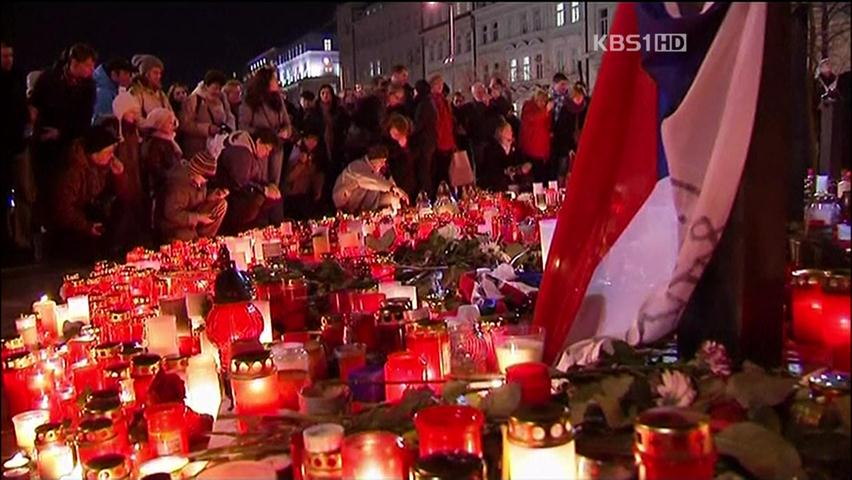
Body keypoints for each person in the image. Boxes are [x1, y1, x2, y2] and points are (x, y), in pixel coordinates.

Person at [30, 43, 98, 233]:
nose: (92, 70)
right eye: (88, 65)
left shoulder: (88, 87)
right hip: (43, 144)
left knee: (64, 191)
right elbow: (35, 104)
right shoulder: (49, 79)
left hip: (68, 143)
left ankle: (64, 233)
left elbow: (84, 119)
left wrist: (62, 133)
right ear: (73, 62)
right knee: (43, 190)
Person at [49, 125, 126, 263]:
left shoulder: (103, 167)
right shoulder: (73, 171)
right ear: (95, 152)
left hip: (88, 215)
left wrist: (119, 176)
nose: (112, 156)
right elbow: (63, 209)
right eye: (108, 152)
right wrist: (86, 226)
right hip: (70, 225)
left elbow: (122, 195)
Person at [214, 129, 283, 234]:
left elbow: (253, 179)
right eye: (266, 149)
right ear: (259, 141)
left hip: (239, 194)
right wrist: (264, 190)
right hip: (233, 197)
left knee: (273, 200)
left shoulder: (248, 152)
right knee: (261, 202)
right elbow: (240, 182)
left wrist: (269, 186)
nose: (267, 154)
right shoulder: (242, 152)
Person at [156, 150, 227, 243]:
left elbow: (195, 198)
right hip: (173, 224)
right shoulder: (179, 185)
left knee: (221, 205)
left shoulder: (198, 180)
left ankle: (204, 241)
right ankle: (195, 243)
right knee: (187, 236)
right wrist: (198, 218)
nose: (205, 181)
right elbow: (171, 214)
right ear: (196, 171)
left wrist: (210, 197)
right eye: (205, 177)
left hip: (192, 215)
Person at [1, 40, 31, 258]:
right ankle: (6, 240)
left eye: (10, 55)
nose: (8, 60)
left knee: (25, 193)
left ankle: (22, 241)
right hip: (3, 145)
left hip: (18, 144)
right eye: (4, 56)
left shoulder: (17, 78)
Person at [239, 67, 293, 188]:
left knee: (275, 184)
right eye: (274, 79)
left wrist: (285, 132)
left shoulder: (278, 100)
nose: (277, 82)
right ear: (266, 81)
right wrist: (262, 133)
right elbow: (243, 126)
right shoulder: (251, 100)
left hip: (277, 148)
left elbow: (287, 123)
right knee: (260, 183)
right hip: (260, 149)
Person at [307, 83, 349, 208]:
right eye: (323, 93)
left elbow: (345, 124)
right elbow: (311, 128)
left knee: (335, 173)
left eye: (328, 93)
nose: (325, 96)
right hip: (321, 147)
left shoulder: (338, 111)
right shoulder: (315, 112)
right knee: (322, 175)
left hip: (336, 145)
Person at [333, 145, 408, 214]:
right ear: (374, 159)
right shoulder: (357, 166)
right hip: (347, 204)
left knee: (391, 198)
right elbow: (372, 182)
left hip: (366, 206)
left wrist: (395, 194)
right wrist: (392, 188)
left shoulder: (376, 172)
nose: (383, 164)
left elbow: (383, 182)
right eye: (381, 161)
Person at [180, 70, 235, 158]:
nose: (217, 91)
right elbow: (185, 124)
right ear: (206, 86)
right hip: (198, 150)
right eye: (215, 88)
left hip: (218, 148)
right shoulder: (194, 99)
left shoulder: (222, 99)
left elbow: (229, 116)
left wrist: (228, 129)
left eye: (220, 88)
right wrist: (208, 129)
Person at [139, 107, 182, 216]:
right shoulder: (156, 144)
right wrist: (176, 176)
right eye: (170, 122)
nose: (173, 125)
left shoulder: (167, 141)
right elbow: (156, 170)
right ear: (160, 124)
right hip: (162, 191)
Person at [551, 73, 588, 182]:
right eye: (576, 97)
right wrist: (569, 147)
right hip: (565, 146)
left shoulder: (586, 108)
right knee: (563, 169)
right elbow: (562, 130)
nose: (578, 100)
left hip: (581, 144)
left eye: (580, 97)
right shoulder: (566, 109)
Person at [281, 130, 325, 220]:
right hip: (291, 196)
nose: (312, 143)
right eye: (310, 139)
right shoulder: (294, 151)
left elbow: (317, 174)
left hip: (306, 195)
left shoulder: (317, 154)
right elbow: (288, 178)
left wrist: (318, 188)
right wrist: (301, 164)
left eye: (315, 140)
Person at [479, 119, 531, 192]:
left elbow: (521, 161)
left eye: (511, 130)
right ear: (501, 133)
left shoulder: (515, 148)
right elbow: (492, 169)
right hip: (499, 181)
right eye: (508, 130)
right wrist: (506, 171)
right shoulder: (491, 149)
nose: (511, 132)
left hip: (515, 177)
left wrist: (523, 167)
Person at [430, 75, 457, 196]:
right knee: (441, 174)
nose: (440, 87)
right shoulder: (434, 101)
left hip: (446, 143)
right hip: (440, 144)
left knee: (446, 174)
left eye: (441, 84)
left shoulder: (443, 101)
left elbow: (448, 123)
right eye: (437, 84)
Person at [410, 79, 437, 199]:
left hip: (424, 143)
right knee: (426, 170)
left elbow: (418, 125)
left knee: (424, 171)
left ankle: (426, 196)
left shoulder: (422, 105)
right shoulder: (430, 103)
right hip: (429, 141)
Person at [519, 89, 553, 182]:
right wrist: (546, 111)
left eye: (544, 101)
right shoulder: (529, 108)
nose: (543, 103)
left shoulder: (543, 110)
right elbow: (533, 119)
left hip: (543, 151)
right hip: (532, 150)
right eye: (541, 100)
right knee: (536, 179)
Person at [383, 113, 417, 203]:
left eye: (399, 134)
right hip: (391, 178)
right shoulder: (385, 141)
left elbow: (413, 159)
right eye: (394, 133)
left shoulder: (410, 142)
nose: (396, 136)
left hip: (406, 179)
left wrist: (404, 147)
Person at [92, 57, 135, 124]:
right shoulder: (103, 94)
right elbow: (100, 122)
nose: (129, 78)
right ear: (114, 74)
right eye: (126, 73)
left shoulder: (113, 90)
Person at [129, 54, 171, 118]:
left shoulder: (161, 94)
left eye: (160, 73)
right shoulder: (136, 92)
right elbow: (136, 119)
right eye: (155, 73)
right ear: (146, 74)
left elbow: (171, 113)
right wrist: (153, 123)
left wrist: (173, 122)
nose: (159, 76)